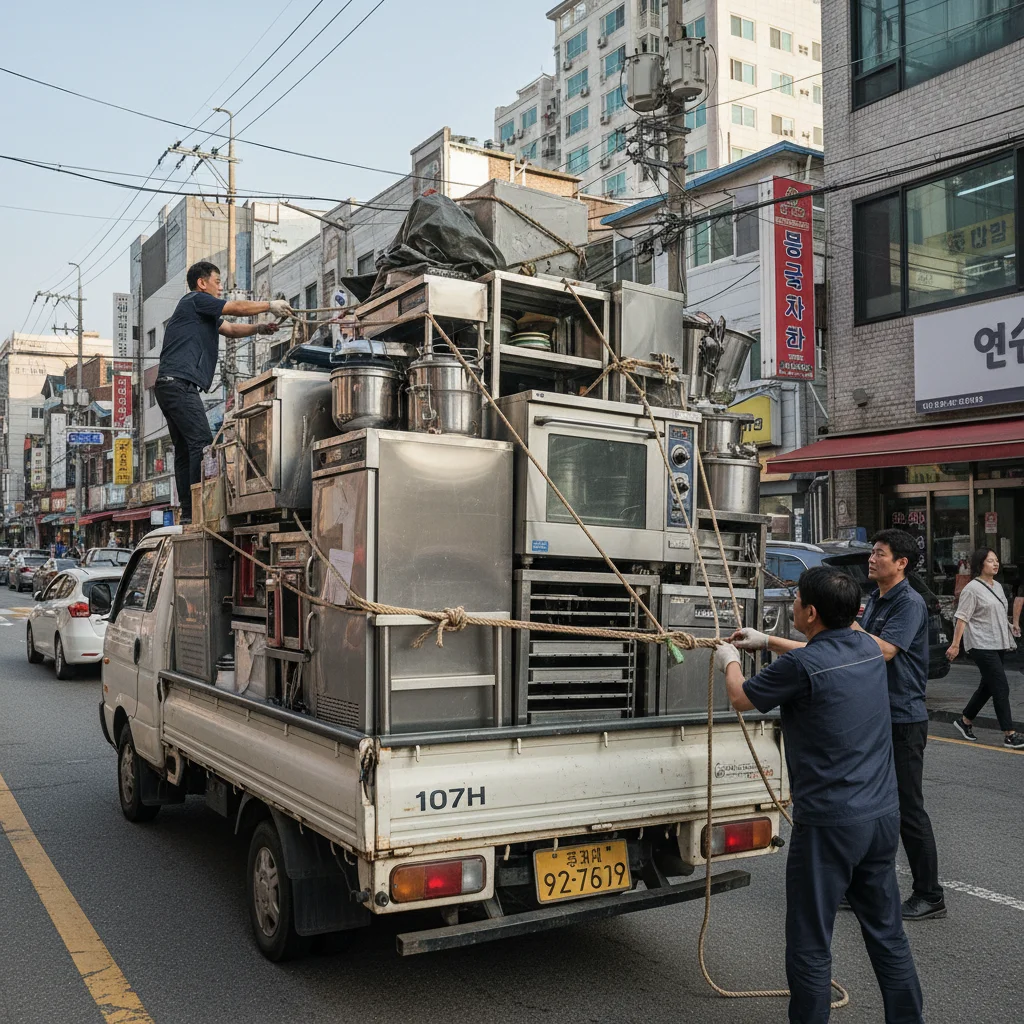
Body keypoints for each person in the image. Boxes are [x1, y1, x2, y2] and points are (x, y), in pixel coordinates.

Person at [717, 567, 923, 1024]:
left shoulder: (801, 666)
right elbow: (820, 654)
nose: (791, 607)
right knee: (888, 936)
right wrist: (766, 641)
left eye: (795, 601)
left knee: (811, 942)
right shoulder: (868, 648)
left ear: (809, 613)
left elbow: (740, 699)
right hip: (880, 817)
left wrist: (730, 657)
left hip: (830, 824)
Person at [736, 529, 946, 922]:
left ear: (901, 563)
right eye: (873, 553)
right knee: (863, 801)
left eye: (880, 554)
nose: (872, 559)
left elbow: (877, 651)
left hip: (902, 716)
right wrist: (769, 641)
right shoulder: (876, 600)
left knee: (906, 807)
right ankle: (857, 882)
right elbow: (837, 646)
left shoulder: (909, 603)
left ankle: (930, 893)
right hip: (875, 710)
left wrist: (777, 641)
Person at [155, 261, 292, 524]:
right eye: (217, 281)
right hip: (180, 384)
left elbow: (229, 329)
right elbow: (236, 308)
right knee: (202, 442)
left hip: (169, 385)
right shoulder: (196, 299)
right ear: (202, 282)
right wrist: (269, 305)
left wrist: (259, 328)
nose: (220, 287)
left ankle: (187, 512)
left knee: (185, 449)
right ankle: (196, 509)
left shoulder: (200, 311)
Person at [948, 548, 1024, 748]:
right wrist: (956, 645)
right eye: (991, 561)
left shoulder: (997, 586)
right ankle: (1009, 733)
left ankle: (964, 721)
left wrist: (1011, 625)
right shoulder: (971, 589)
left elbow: (996, 614)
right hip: (981, 645)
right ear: (980, 564)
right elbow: (962, 618)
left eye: (997, 560)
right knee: (1001, 686)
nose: (996, 564)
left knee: (988, 686)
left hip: (997, 642)